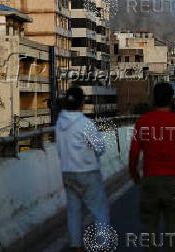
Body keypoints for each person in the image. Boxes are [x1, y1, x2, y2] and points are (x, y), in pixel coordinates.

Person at [129, 82, 175, 251]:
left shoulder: (143, 121)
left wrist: (134, 174)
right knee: (173, 230)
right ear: (172, 101)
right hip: (173, 182)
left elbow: (134, 152)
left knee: (150, 229)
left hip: (150, 180)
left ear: (153, 99)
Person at [56, 86, 109, 252]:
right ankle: (103, 245)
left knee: (74, 212)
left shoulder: (59, 123)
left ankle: (76, 247)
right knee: (100, 211)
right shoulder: (85, 124)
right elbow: (100, 147)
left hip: (68, 172)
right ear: (82, 103)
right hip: (88, 172)